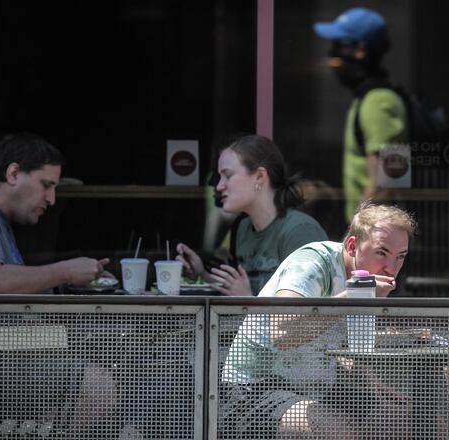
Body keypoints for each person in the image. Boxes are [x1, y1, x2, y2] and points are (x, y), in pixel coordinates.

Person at [220, 202, 416, 439]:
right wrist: (351, 299)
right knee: (334, 429)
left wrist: (369, 381)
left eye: (400, 257)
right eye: (381, 252)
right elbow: (282, 333)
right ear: (353, 246)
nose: (391, 268)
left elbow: (341, 348)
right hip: (252, 390)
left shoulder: (364, 283)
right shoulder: (314, 262)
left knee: (402, 419)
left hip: (316, 388)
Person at [176, 134, 328, 296]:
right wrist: (202, 274)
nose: (219, 186)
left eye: (227, 176)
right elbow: (239, 291)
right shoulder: (243, 228)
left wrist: (247, 300)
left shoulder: (300, 231)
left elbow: (303, 314)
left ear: (260, 177)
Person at [314, 7, 408, 223]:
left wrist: (355, 236)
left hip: (376, 238)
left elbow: (385, 184)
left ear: (360, 50)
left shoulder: (379, 102)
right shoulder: (365, 99)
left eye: (339, 45)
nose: (333, 53)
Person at [0, 133, 110, 294]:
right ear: (13, 173)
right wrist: (66, 271)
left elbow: (12, 288)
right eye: (46, 185)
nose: (52, 200)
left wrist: (71, 280)